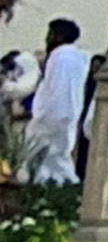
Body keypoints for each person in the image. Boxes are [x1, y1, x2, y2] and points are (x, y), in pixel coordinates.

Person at [22, 17, 84, 183]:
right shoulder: (76, 57)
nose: (46, 38)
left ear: (58, 36)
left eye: (50, 34)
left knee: (50, 157)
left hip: (53, 116)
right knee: (54, 156)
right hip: (67, 114)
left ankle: (62, 186)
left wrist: (43, 113)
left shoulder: (61, 58)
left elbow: (56, 90)